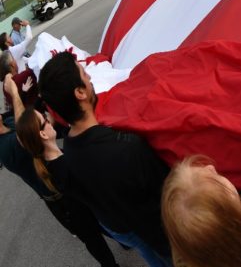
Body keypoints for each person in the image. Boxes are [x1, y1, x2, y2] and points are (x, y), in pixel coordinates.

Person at [38, 51, 172, 267]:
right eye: (84, 73)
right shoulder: (128, 147)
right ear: (80, 92)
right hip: (166, 238)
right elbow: (171, 196)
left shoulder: (68, 155)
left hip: (129, 230)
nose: (90, 77)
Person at [2, 75, 118, 267]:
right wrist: (14, 92)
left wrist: (24, 95)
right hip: (73, 206)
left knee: (98, 234)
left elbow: (23, 123)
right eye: (45, 120)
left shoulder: (54, 157)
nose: (48, 118)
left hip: (72, 202)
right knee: (97, 237)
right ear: (41, 133)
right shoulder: (64, 162)